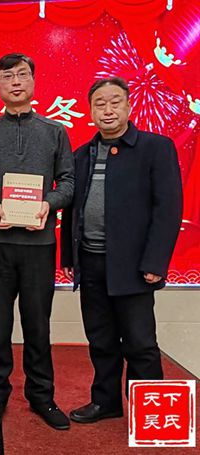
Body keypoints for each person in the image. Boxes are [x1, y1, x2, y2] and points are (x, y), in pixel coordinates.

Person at [0, 53, 74, 430]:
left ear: (34, 81)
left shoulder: (55, 131)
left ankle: (42, 396)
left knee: (38, 325)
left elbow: (68, 182)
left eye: (23, 75)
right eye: (7, 77)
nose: (16, 82)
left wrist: (48, 203)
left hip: (39, 245)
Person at [61, 77, 183, 424]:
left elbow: (168, 208)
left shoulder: (155, 147)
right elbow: (72, 209)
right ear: (90, 111)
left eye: (115, 102)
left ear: (129, 106)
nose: (108, 110)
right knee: (100, 339)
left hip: (134, 265)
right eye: (100, 104)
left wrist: (155, 261)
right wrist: (69, 257)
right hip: (91, 262)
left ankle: (149, 414)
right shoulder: (81, 154)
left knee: (140, 342)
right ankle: (106, 402)